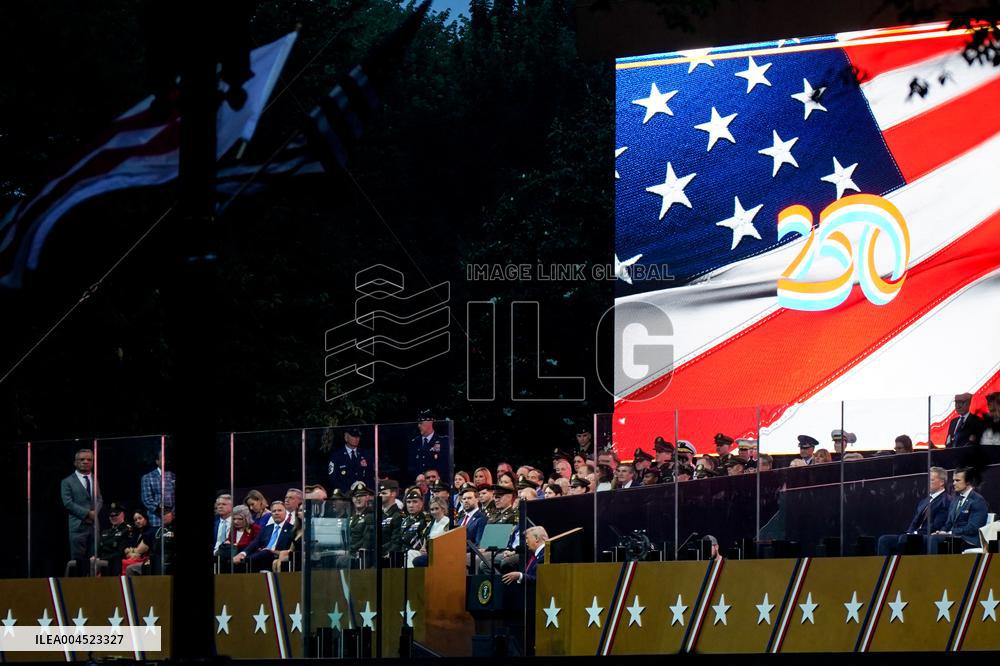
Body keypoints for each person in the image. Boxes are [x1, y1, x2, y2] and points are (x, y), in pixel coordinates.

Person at [877, 466, 951, 555]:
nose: (928, 483)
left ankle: (903, 563)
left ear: (941, 482)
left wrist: (915, 533)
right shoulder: (924, 501)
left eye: (931, 480)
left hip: (928, 536)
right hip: (915, 535)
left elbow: (936, 525)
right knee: (884, 540)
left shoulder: (946, 501)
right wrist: (909, 532)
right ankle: (887, 565)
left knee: (905, 539)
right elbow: (914, 522)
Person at [927, 468, 990, 553]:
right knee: (929, 538)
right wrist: (942, 531)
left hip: (969, 540)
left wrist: (950, 533)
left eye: (957, 480)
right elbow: (948, 523)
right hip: (955, 538)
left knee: (935, 540)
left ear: (968, 481)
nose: (954, 483)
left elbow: (973, 527)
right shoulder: (955, 500)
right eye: (953, 480)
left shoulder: (977, 501)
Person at [61, 448, 101, 576]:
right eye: (82, 459)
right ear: (75, 462)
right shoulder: (67, 481)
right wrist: (87, 513)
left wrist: (94, 513)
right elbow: (68, 503)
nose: (86, 462)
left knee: (94, 560)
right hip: (78, 526)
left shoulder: (94, 479)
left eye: (89, 460)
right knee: (78, 562)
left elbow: (99, 499)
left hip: (94, 526)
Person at [233, 501, 295, 572]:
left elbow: (290, 550)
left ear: (285, 513)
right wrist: (242, 554)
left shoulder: (291, 529)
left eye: (279, 510)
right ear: (271, 514)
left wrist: (273, 551)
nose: (276, 513)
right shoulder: (266, 528)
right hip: (262, 556)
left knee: (266, 552)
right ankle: (242, 562)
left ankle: (244, 562)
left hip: (276, 556)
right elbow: (255, 543)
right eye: (274, 511)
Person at [327, 427, 373, 494]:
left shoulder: (365, 454)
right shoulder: (337, 456)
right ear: (346, 437)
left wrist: (367, 490)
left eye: (358, 436)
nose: (356, 439)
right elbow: (333, 479)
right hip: (345, 494)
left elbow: (370, 475)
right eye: (353, 436)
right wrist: (347, 492)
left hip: (363, 493)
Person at [410, 498, 452, 567]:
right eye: (432, 509)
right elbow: (425, 537)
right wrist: (423, 548)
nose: (434, 512)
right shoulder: (431, 523)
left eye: (436, 508)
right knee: (410, 553)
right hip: (429, 552)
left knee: (417, 560)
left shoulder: (448, 522)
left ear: (443, 509)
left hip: (441, 554)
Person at [409, 410, 449, 482]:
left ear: (430, 422)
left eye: (421, 423)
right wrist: (417, 476)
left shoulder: (443, 441)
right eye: (418, 423)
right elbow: (410, 465)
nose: (418, 426)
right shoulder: (414, 442)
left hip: (437, 482)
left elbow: (445, 464)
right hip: (419, 482)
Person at [139, 451, 175, 528]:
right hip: (156, 521)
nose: (165, 460)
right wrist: (164, 512)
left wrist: (172, 514)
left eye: (166, 458)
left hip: (173, 520)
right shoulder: (147, 477)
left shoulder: (173, 476)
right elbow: (147, 499)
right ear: (157, 461)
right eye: (163, 458)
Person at [96, 502, 133, 576]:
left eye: (116, 515)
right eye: (111, 515)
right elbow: (99, 549)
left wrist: (102, 558)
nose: (113, 517)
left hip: (115, 563)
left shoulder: (127, 529)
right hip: (103, 562)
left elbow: (120, 552)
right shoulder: (105, 531)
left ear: (122, 514)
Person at [400, 488, 432, 567]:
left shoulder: (426, 518)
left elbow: (427, 537)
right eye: (408, 502)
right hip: (404, 554)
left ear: (421, 503)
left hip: (418, 554)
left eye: (415, 502)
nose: (411, 505)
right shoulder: (404, 520)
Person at [378, 480, 404, 561]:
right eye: (379, 493)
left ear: (393, 494)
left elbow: (396, 541)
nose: (380, 495)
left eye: (384, 493)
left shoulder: (398, 515)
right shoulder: (378, 514)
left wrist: (380, 551)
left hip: (389, 557)